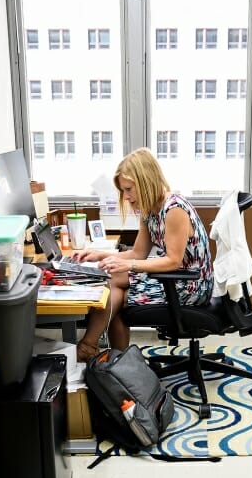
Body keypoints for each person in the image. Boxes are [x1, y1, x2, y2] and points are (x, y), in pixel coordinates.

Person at [72, 148, 213, 362]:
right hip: (171, 278)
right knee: (112, 286)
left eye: (129, 189)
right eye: (123, 191)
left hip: (190, 285)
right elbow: (138, 252)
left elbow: (173, 261)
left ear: (146, 181)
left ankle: (90, 348)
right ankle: (109, 358)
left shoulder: (174, 209)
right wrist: (99, 255)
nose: (126, 197)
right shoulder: (150, 210)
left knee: (115, 296)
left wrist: (131, 266)